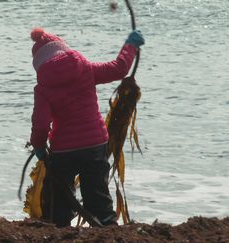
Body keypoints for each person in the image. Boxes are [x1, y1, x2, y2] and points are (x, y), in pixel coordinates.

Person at [29, 27, 144, 227]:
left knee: (59, 200)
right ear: (64, 50)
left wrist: (38, 145)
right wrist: (131, 45)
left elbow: (40, 124)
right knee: (97, 197)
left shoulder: (43, 88)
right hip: (95, 145)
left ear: (39, 64)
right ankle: (108, 228)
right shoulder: (86, 70)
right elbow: (119, 68)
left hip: (63, 151)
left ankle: (60, 227)